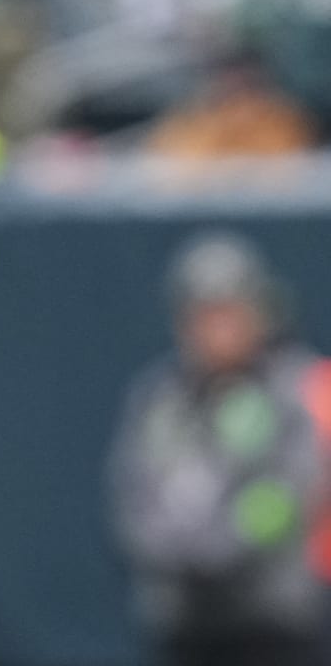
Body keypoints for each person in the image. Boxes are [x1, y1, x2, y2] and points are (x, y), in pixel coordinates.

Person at [108, 233, 326, 666]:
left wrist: (221, 547)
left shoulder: (290, 391)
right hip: (185, 624)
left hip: (275, 625)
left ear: (258, 313)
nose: (219, 329)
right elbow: (134, 500)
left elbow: (294, 493)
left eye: (230, 312)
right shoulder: (160, 399)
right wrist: (182, 552)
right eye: (206, 315)